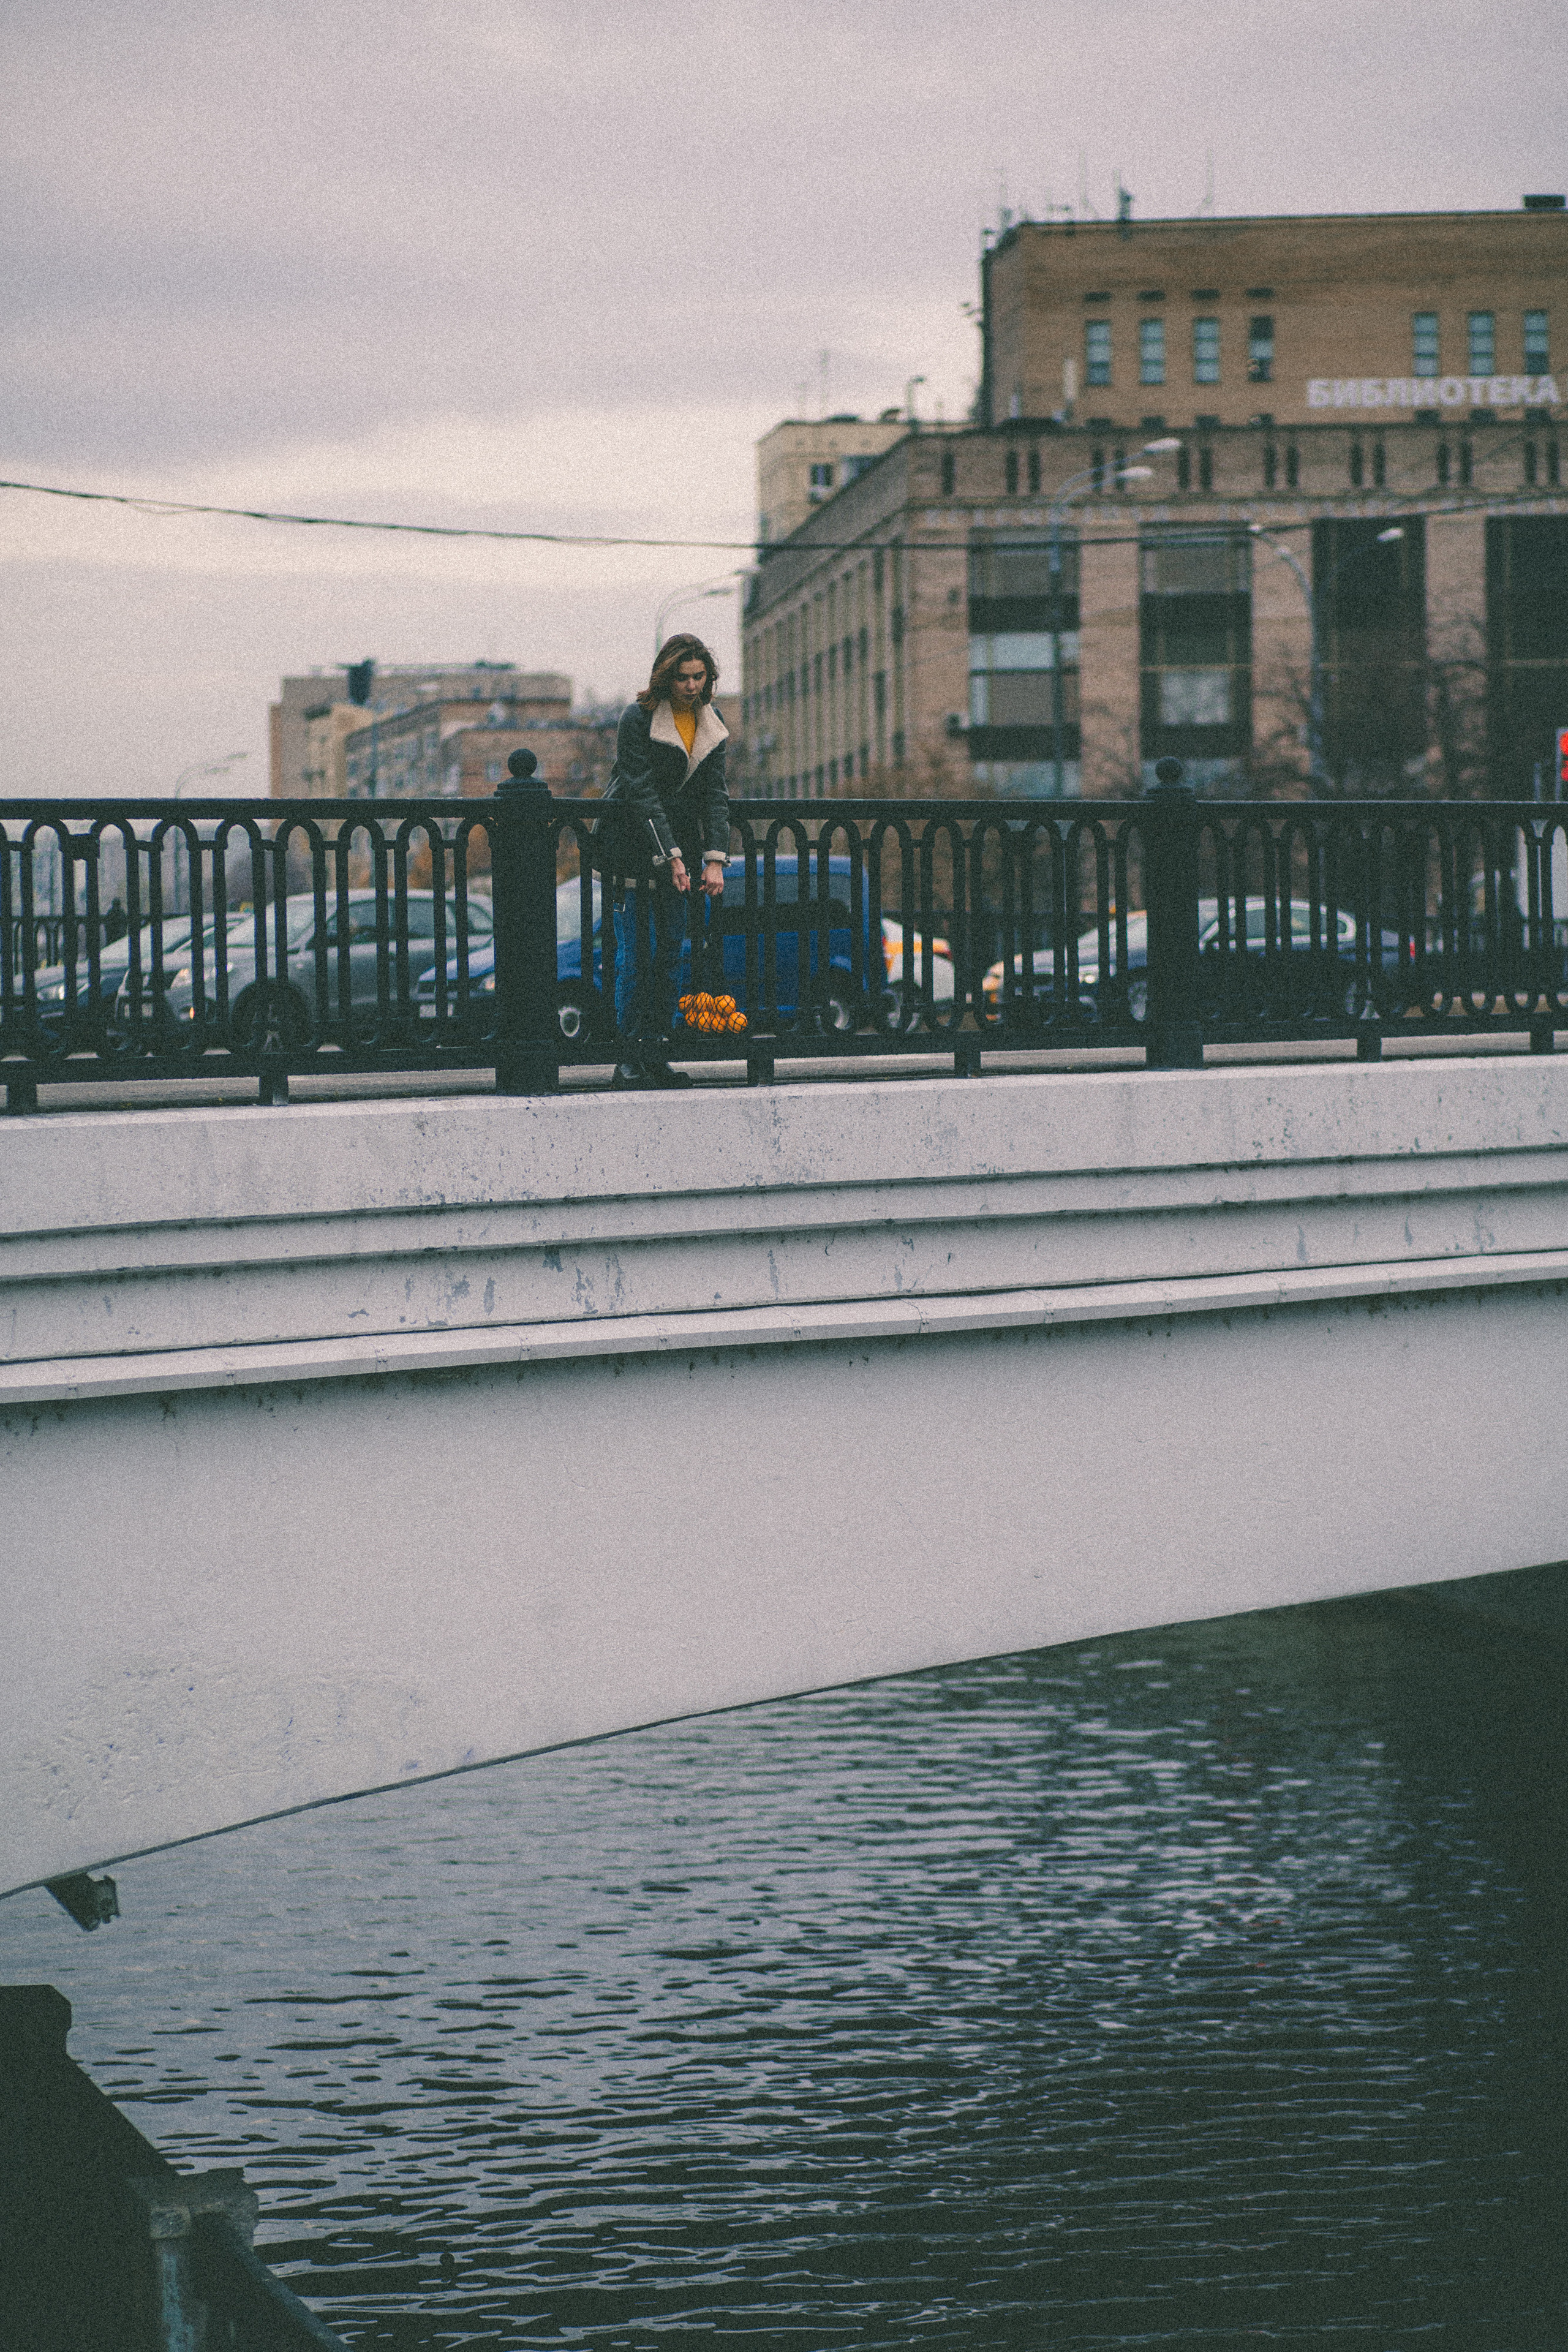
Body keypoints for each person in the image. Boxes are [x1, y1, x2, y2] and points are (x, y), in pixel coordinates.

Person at [603, 633, 729, 1089]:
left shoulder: (710, 721)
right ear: (665, 676)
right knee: (636, 956)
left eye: (699, 677)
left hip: (683, 851)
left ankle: (656, 1052)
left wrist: (714, 859)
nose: (692, 686)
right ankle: (629, 1057)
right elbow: (640, 789)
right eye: (683, 677)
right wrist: (670, 856)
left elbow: (716, 793)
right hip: (634, 848)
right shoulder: (636, 719)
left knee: (671, 955)